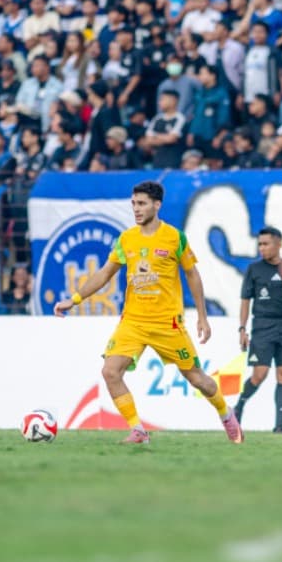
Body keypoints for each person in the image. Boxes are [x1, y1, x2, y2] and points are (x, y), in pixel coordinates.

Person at [53, 180, 242, 445]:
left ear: (157, 205)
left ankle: (226, 414)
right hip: (133, 322)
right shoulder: (126, 239)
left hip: (168, 324)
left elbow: (192, 274)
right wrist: (73, 299)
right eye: (133, 204)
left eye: (141, 204)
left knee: (198, 380)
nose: (136, 209)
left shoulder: (175, 237)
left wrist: (202, 316)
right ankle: (138, 431)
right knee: (110, 372)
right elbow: (104, 274)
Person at [234, 226, 282, 434]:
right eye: (259, 244)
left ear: (278, 244)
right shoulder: (254, 270)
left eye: (265, 244)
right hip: (262, 325)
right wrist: (242, 329)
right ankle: (240, 406)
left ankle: (279, 425)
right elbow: (245, 301)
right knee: (259, 374)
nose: (261, 248)